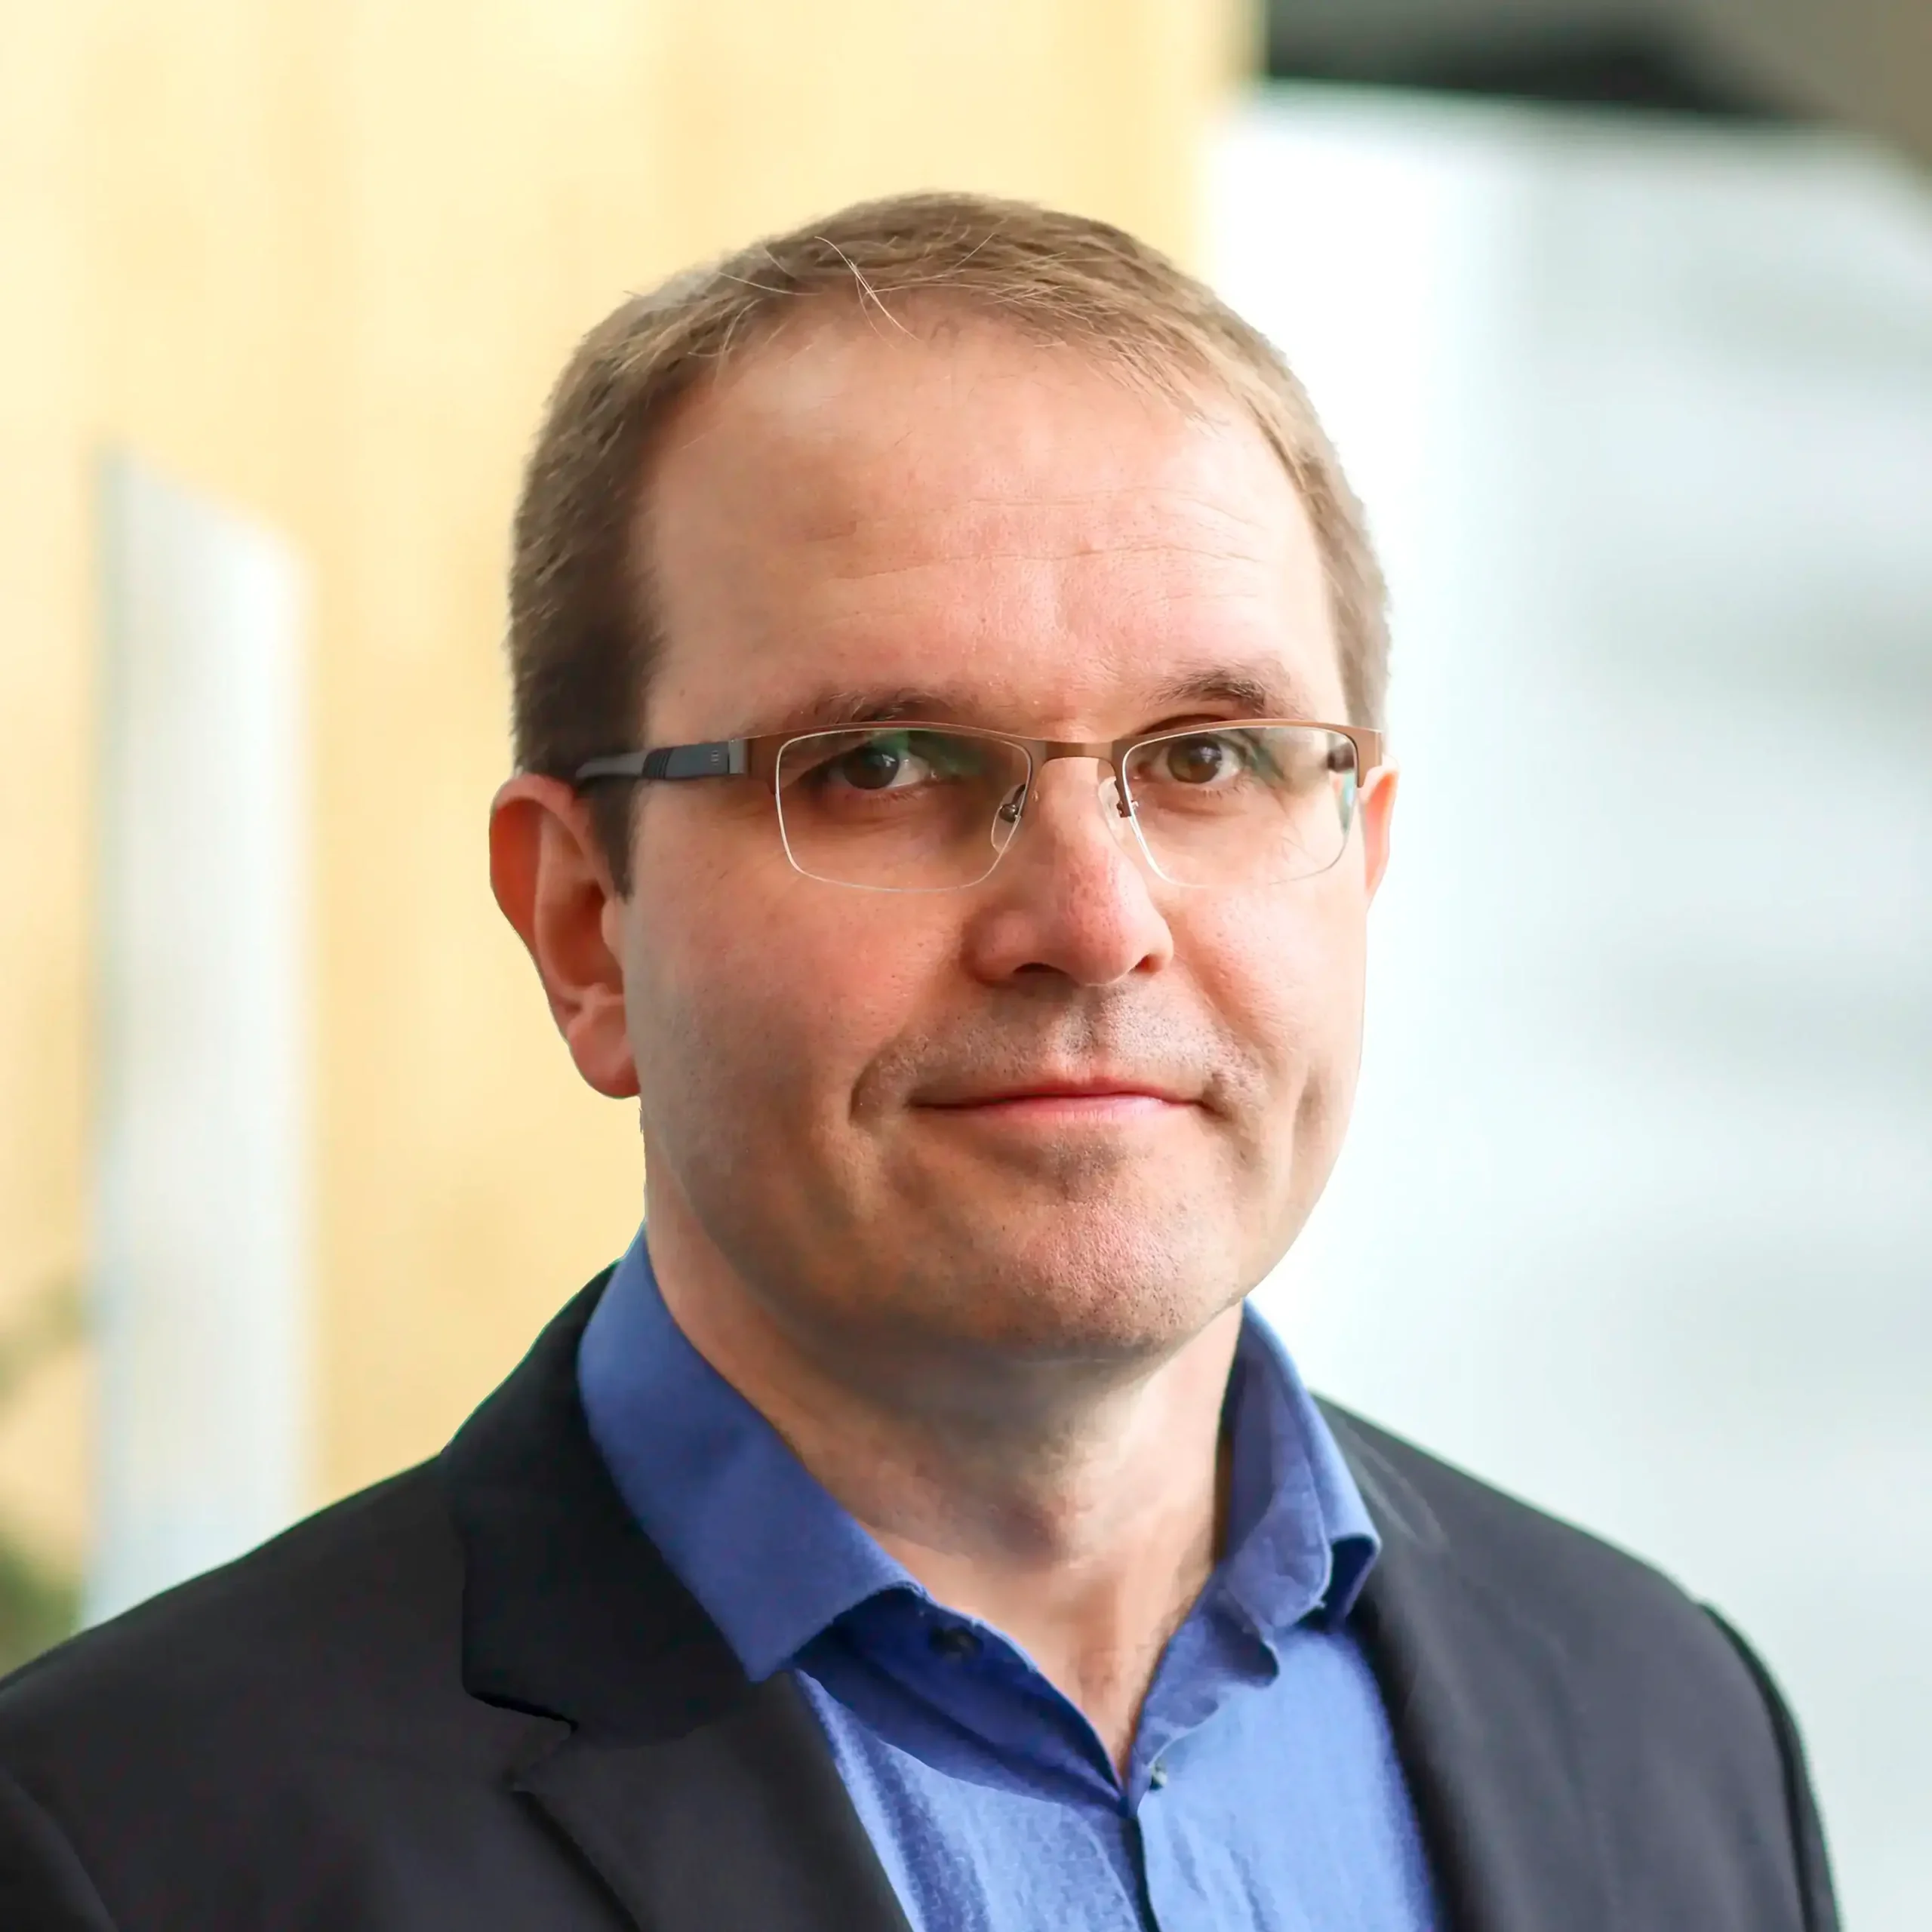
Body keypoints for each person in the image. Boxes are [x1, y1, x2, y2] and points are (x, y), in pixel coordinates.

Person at [0, 192, 1836, 1932]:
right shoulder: (131, 1845)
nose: (1092, 919)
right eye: (882, 764)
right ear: (583, 922)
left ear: (1359, 860)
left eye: (1207, 756)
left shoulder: (1668, 1722)